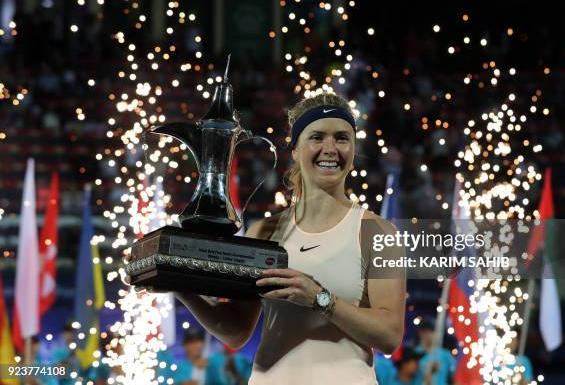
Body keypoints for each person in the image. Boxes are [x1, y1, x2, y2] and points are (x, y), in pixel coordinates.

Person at [170, 92, 406, 384]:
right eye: (317, 137)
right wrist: (180, 288)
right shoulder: (264, 231)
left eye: (342, 138)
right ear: (295, 149)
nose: (330, 148)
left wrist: (321, 299)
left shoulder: (379, 232)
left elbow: (390, 335)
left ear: (353, 149)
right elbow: (237, 332)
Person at [414, 319, 455, 385]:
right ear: (420, 332)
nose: (433, 334)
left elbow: (454, 376)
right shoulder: (413, 353)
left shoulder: (445, 354)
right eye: (430, 331)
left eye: (435, 331)